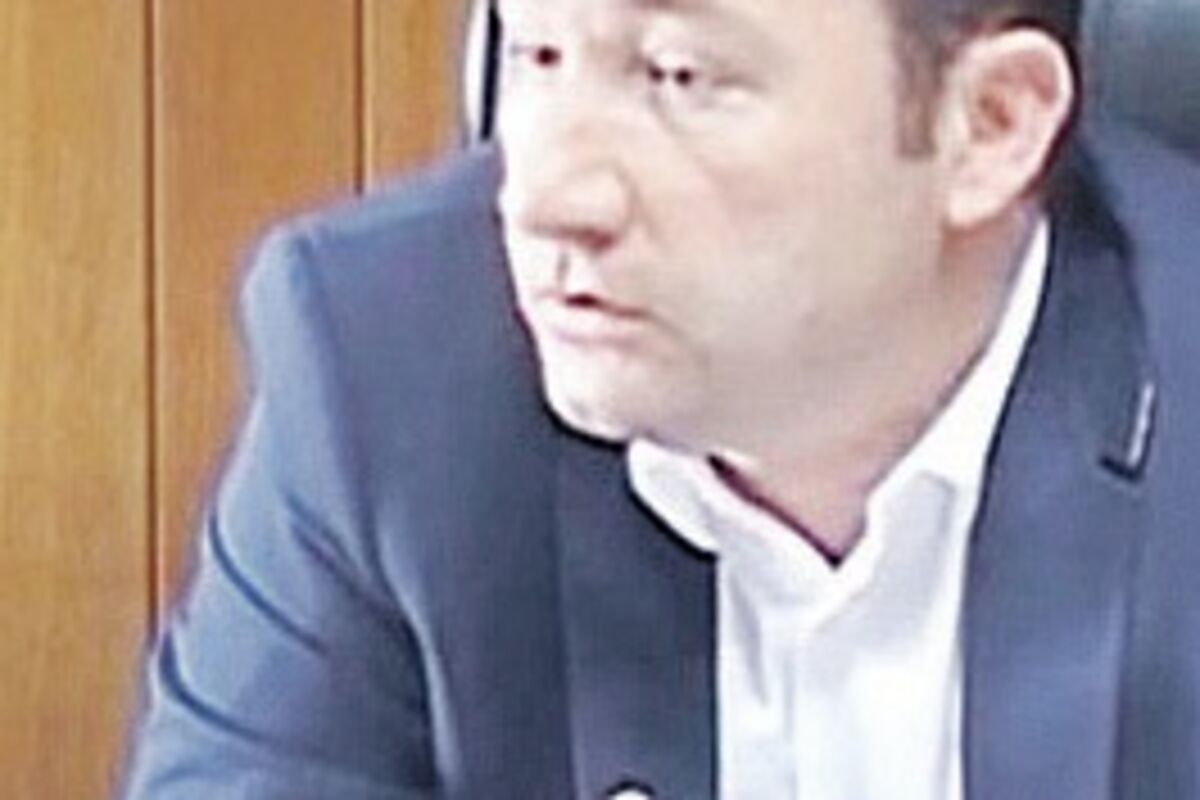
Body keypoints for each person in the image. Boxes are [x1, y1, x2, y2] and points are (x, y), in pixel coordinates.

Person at [122, 0, 1200, 797]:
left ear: (992, 125)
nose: (548, 196)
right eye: (536, 54)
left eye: (679, 77)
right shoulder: (383, 359)